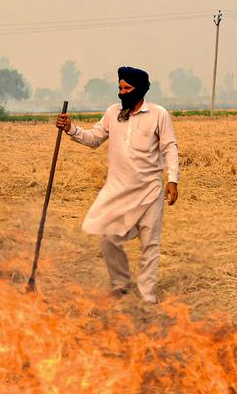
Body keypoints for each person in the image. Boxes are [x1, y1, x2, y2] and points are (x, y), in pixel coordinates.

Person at [55, 66, 179, 303]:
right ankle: (121, 285)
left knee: (149, 245)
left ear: (140, 90)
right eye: (120, 88)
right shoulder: (113, 113)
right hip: (119, 191)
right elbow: (93, 139)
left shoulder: (158, 114)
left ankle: (147, 297)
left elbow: (169, 147)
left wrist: (172, 180)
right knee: (110, 238)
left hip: (150, 191)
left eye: (127, 88)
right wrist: (70, 128)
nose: (122, 92)